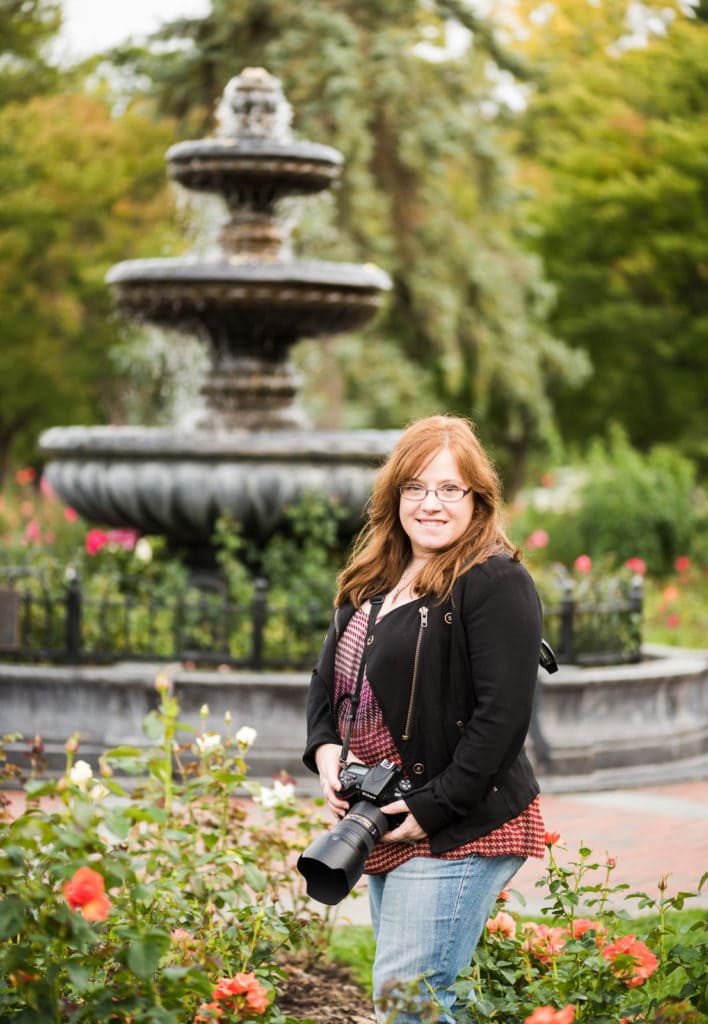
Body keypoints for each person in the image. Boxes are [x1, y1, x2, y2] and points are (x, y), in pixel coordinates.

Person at [302, 414, 548, 1023]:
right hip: (387, 820)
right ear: (394, 496)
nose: (430, 504)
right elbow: (328, 679)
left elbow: (503, 717)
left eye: (448, 489)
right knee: (431, 1001)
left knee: (405, 997)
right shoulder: (375, 576)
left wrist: (431, 810)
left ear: (477, 498)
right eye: (415, 487)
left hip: (457, 826)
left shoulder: (494, 581)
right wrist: (326, 749)